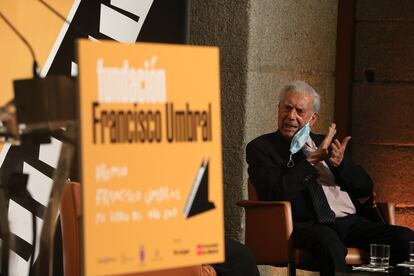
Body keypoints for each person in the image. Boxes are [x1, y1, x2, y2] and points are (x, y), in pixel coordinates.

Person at [246, 80, 414, 275]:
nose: (291, 116)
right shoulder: (262, 148)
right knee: (329, 244)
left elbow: (365, 188)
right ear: (278, 109)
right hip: (308, 225)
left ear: (313, 118)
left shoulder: (326, 143)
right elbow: (274, 192)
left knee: (406, 239)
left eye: (300, 111)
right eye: (287, 108)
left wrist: (341, 165)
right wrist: (311, 162)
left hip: (350, 223)